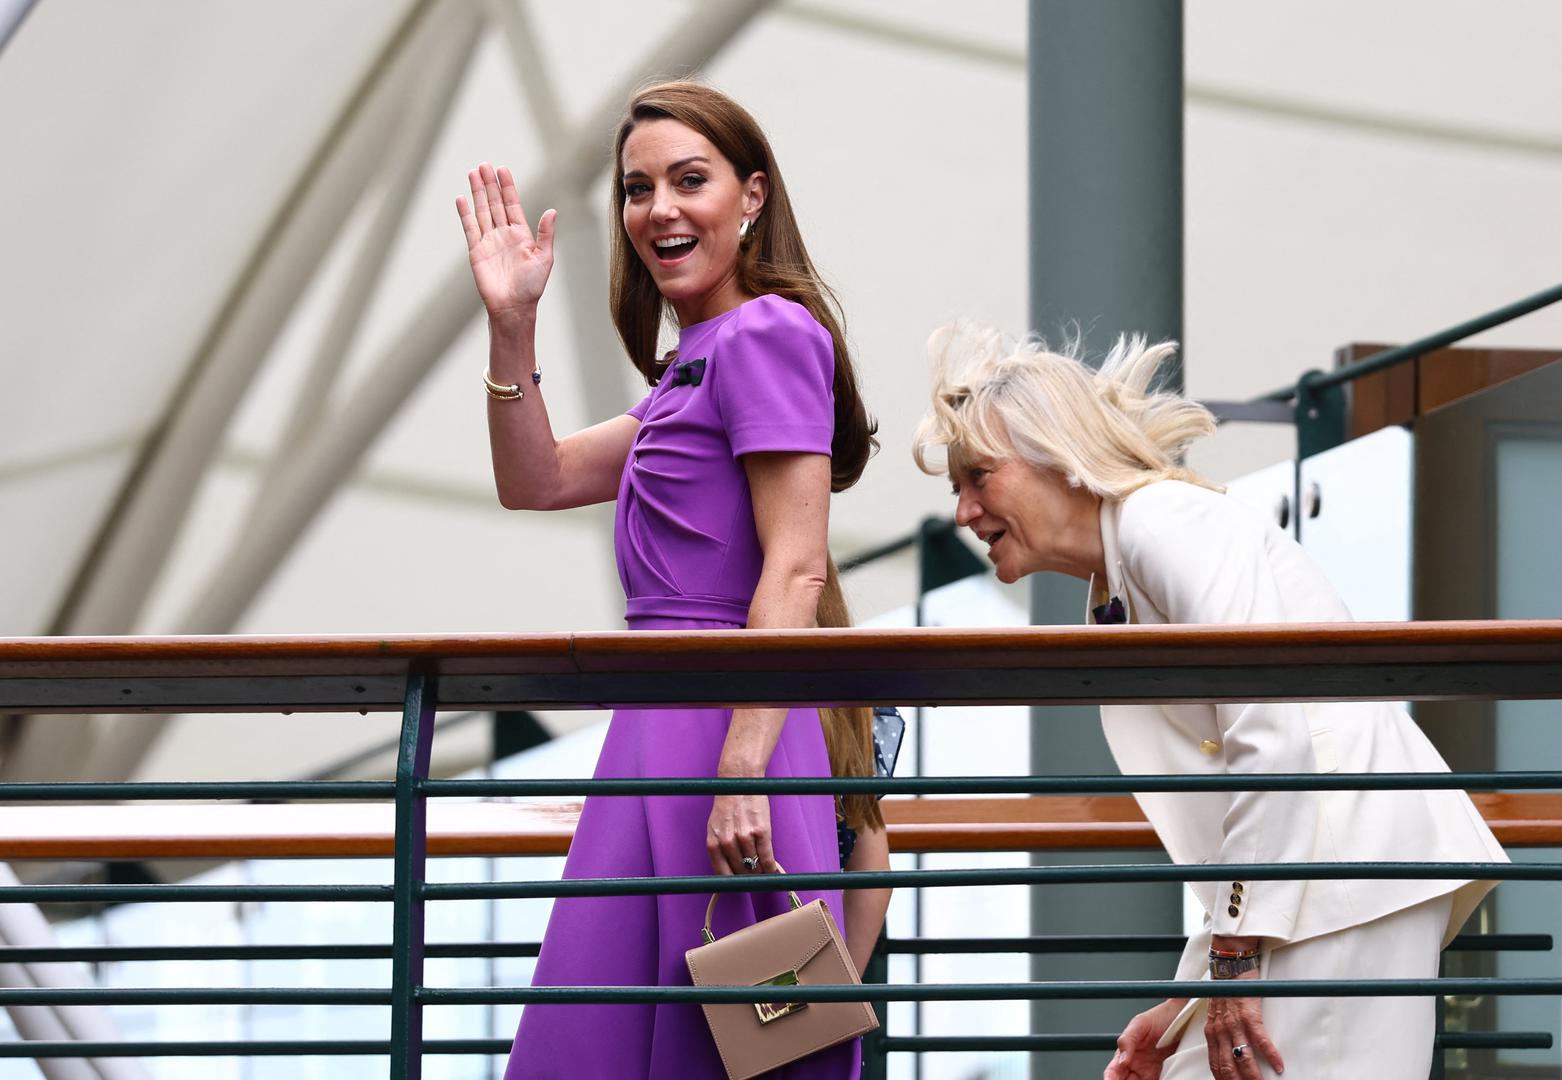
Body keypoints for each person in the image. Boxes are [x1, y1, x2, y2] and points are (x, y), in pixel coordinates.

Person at [910, 324, 1508, 1080]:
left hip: (1346, 885)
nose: (963, 512)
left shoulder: (1163, 521)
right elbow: (1240, 794)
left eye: (978, 478)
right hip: (1327, 894)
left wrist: (1227, 964)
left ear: (1054, 456)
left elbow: (1272, 730)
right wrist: (1191, 994)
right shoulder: (1120, 575)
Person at [456, 81, 887, 1078]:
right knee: (609, 1035)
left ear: (750, 196)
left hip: (727, 733)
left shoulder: (768, 334)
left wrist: (739, 769)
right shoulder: (688, 369)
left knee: (736, 1043)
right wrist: (510, 326)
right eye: (636, 188)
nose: (659, 209)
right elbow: (536, 477)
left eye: (689, 180)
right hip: (657, 732)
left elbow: (796, 562)